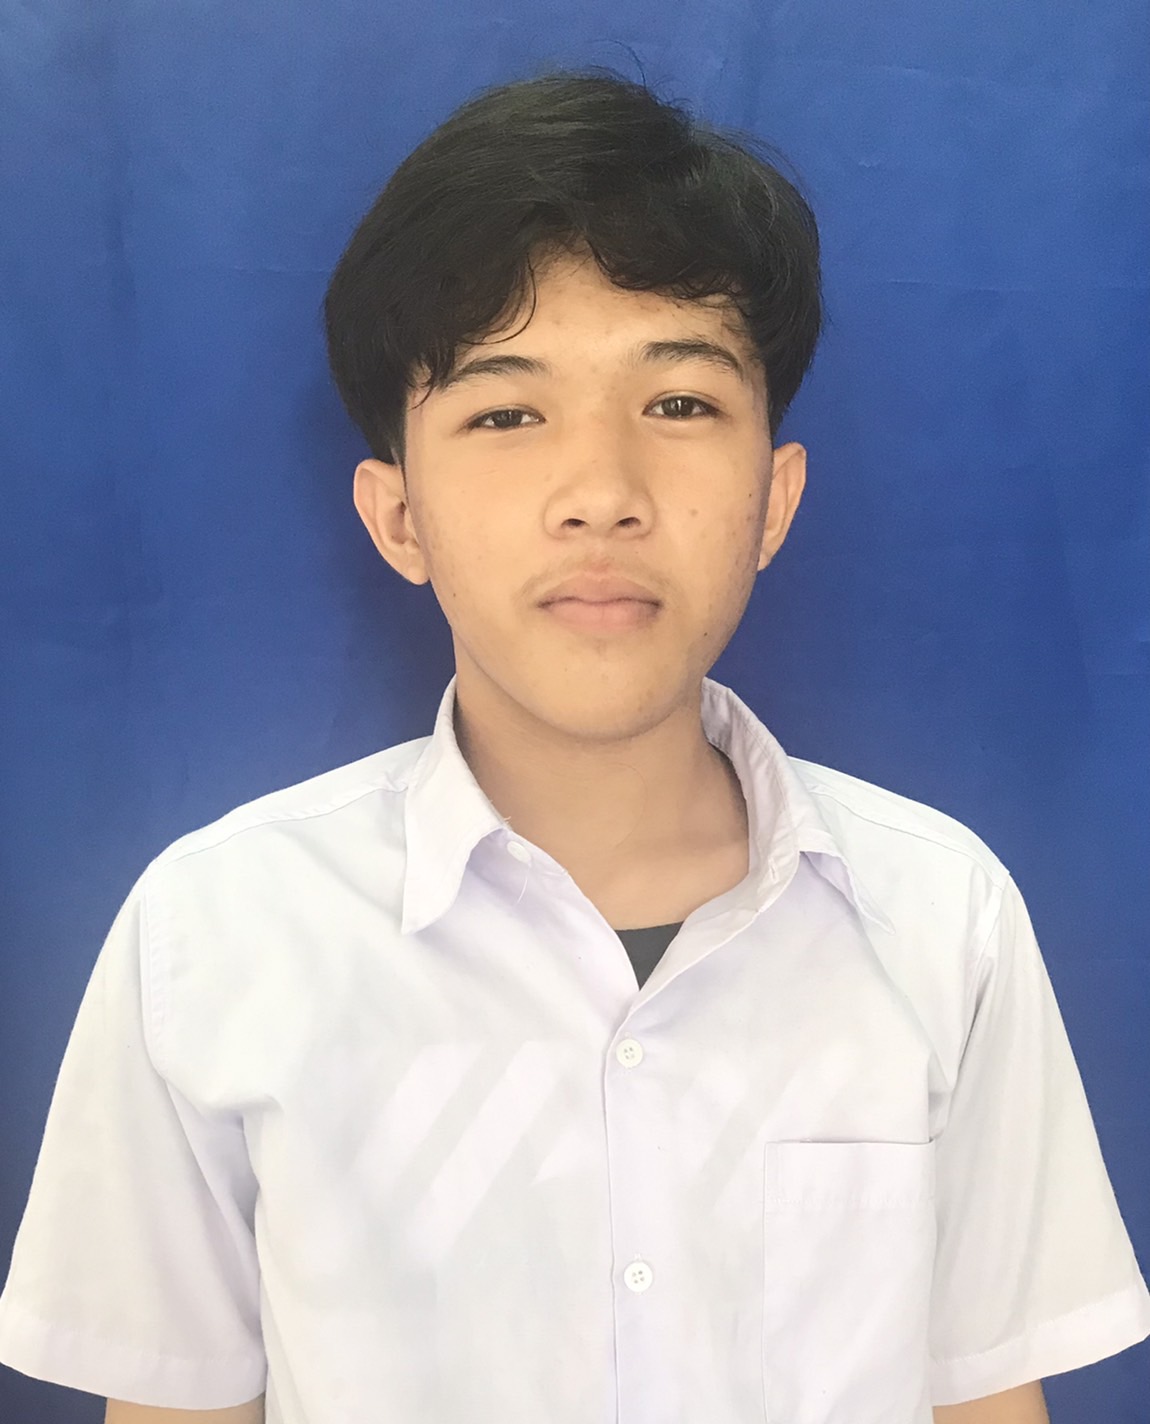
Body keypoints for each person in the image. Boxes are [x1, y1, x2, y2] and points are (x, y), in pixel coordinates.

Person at [0, 66, 1147, 1424]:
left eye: (679, 404)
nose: (600, 493)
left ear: (774, 500)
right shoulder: (216, 935)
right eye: (505, 413)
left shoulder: (942, 917)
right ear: (397, 518)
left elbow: (985, 1397)